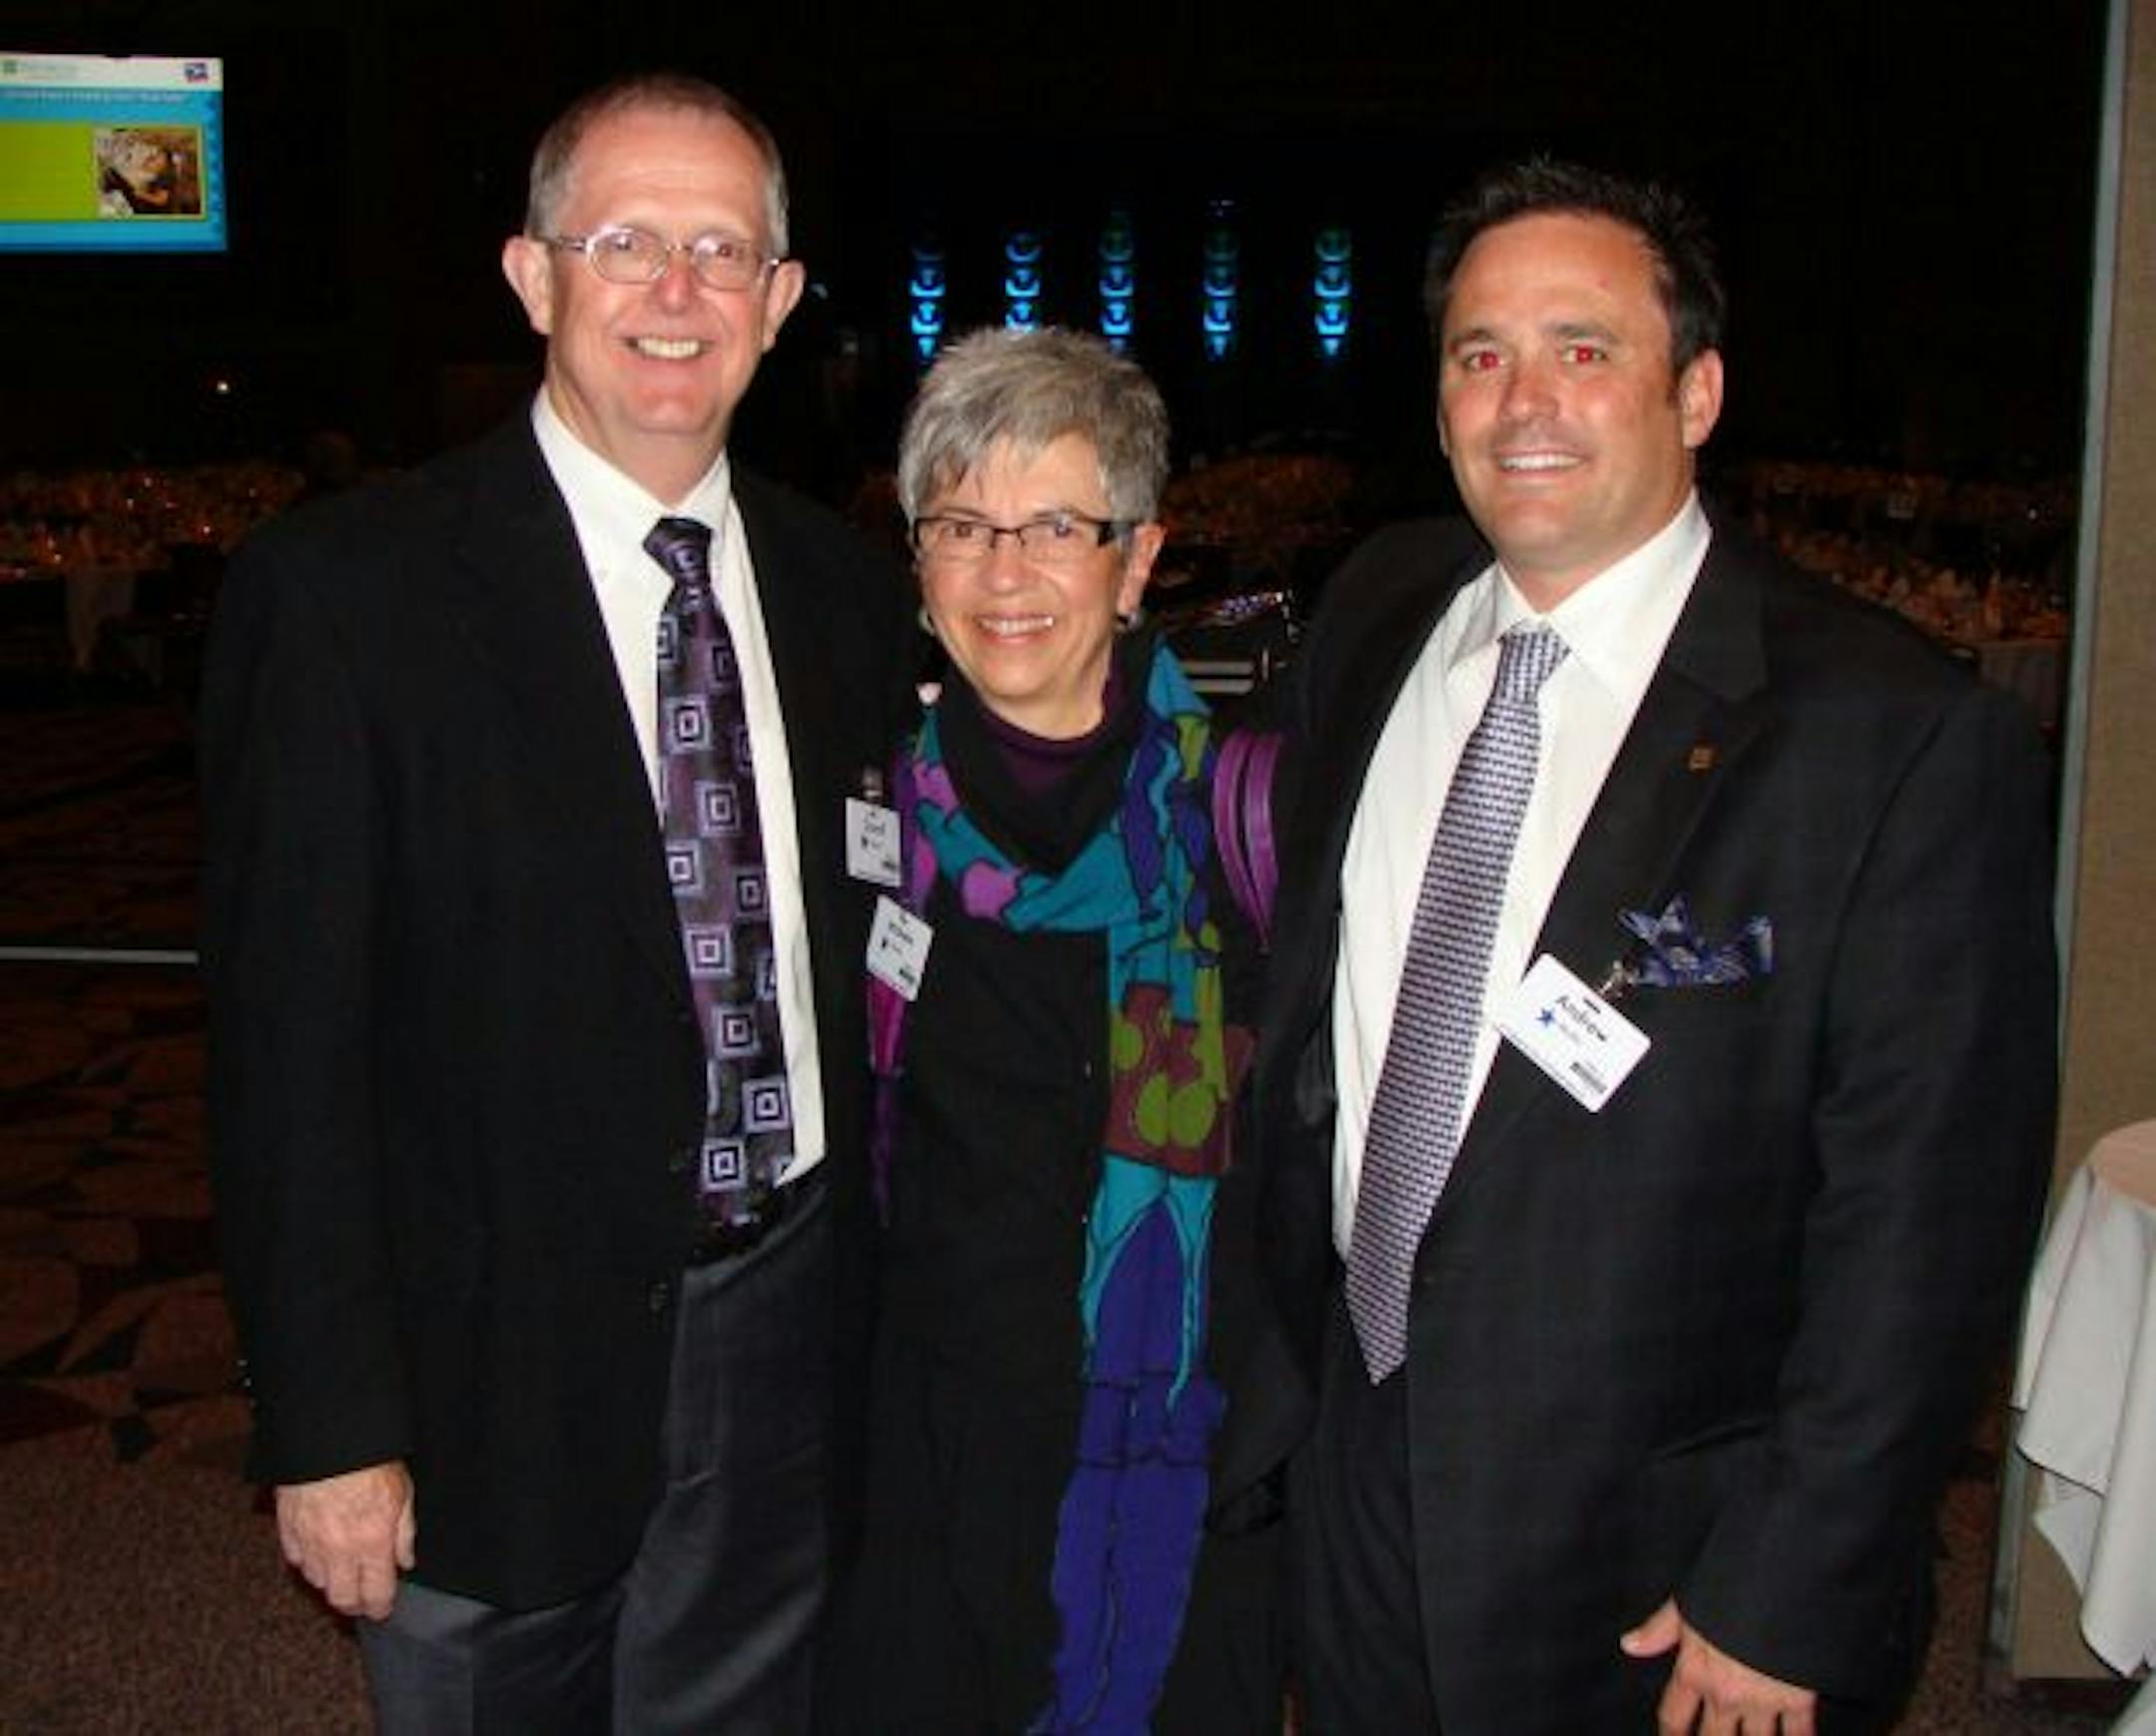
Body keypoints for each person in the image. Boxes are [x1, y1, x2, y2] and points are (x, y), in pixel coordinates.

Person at [1252, 160, 2057, 1732]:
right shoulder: (1381, 617)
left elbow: (1928, 1219)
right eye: (1480, 355)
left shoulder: (1886, 737)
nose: (1522, 400)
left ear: (1696, 391)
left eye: (1584, 348)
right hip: (1358, 1449)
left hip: (1655, 1563)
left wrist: (1795, 1580)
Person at [200, 72, 907, 1732]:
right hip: (481, 1374)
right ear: (533, 277)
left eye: (722, 251)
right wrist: (327, 1419)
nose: (676, 294)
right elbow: (282, 1052)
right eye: (625, 242)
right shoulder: (346, 594)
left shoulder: (844, 595)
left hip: (787, 1320)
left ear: (782, 301)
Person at [821, 327, 1293, 1732]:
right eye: (962, 525)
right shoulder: (863, 813)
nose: (1006, 573)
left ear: (1139, 558)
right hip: (931, 1443)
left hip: (1174, 1435)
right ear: (917, 558)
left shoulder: (1253, 818)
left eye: (1056, 528)